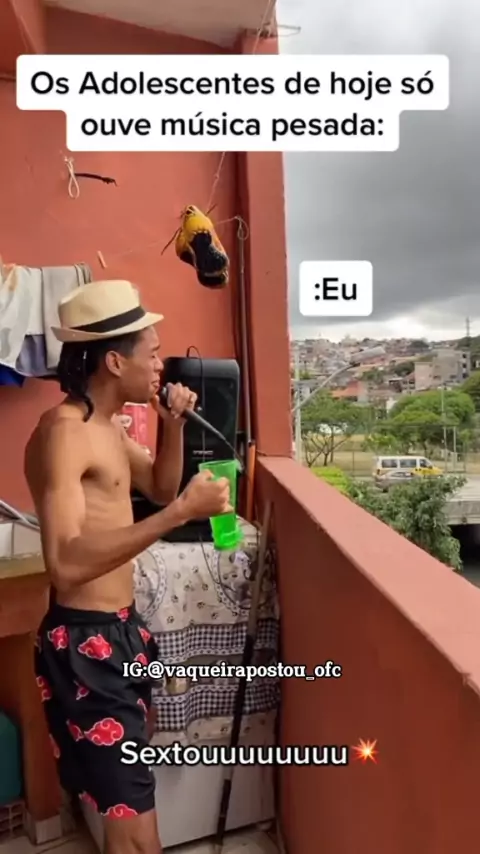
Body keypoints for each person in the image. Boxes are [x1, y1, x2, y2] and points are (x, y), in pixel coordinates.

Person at [25, 280, 232, 854]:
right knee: (136, 831)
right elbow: (66, 563)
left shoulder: (108, 428)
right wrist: (182, 513)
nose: (162, 365)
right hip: (86, 644)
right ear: (116, 362)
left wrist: (174, 425)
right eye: (153, 353)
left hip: (122, 633)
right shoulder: (66, 433)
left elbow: (161, 488)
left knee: (128, 809)